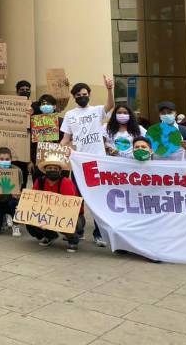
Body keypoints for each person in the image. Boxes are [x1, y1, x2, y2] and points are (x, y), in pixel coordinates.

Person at [60, 76, 114, 247]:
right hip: (78, 163)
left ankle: (99, 233)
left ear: (89, 95)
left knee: (97, 199)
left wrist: (109, 89)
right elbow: (66, 139)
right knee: (77, 198)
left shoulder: (97, 110)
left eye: (84, 94)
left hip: (97, 163)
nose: (82, 97)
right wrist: (54, 152)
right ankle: (78, 230)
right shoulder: (70, 115)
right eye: (78, 95)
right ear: (74, 97)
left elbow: (110, 106)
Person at [25, 158, 84, 253]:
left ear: (60, 171)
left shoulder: (66, 182)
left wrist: (50, 219)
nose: (52, 170)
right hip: (47, 213)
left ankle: (73, 240)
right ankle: (49, 236)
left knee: (71, 221)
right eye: (49, 168)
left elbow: (70, 208)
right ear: (45, 170)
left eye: (55, 169)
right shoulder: (39, 182)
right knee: (28, 218)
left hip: (72, 215)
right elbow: (33, 201)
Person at [30, 94, 64, 182]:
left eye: (48, 104)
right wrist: (31, 161)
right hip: (39, 162)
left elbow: (66, 141)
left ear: (54, 106)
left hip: (57, 162)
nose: (45, 106)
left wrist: (54, 143)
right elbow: (31, 144)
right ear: (40, 107)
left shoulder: (62, 122)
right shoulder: (34, 122)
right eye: (43, 104)